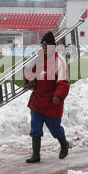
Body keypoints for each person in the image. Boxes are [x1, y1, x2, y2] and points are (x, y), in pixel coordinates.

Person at [24, 31, 71, 163]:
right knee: (35, 126)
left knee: (55, 128)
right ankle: (36, 154)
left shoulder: (59, 61)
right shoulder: (37, 58)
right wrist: (29, 79)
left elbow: (64, 82)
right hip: (37, 100)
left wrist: (58, 96)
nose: (44, 49)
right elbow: (28, 70)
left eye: (47, 46)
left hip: (52, 102)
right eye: (43, 46)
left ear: (53, 47)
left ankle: (64, 144)